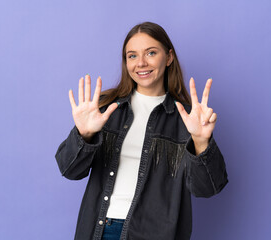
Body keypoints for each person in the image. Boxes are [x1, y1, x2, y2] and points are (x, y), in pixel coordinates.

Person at [55, 22, 228, 240]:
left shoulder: (188, 118)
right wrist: (84, 135)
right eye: (132, 56)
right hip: (99, 230)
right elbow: (69, 170)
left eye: (151, 53)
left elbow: (207, 189)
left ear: (169, 57)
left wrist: (201, 141)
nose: (141, 63)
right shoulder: (106, 109)